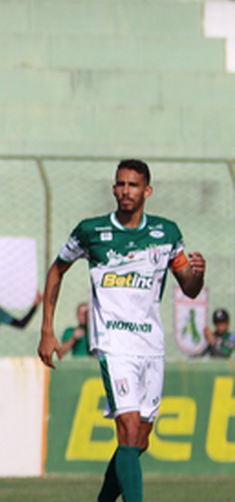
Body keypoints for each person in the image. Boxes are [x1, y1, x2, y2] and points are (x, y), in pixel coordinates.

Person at [38, 159, 205, 502]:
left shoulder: (167, 233)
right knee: (127, 429)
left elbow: (188, 287)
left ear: (147, 191)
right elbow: (57, 270)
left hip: (151, 345)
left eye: (132, 185)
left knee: (140, 440)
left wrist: (198, 274)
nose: (124, 191)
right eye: (120, 184)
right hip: (115, 344)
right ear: (114, 188)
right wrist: (47, 330)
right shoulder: (92, 231)